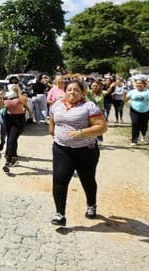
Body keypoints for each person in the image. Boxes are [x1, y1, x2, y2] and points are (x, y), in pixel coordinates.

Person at [48, 79, 107, 226]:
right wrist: (55, 134)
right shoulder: (57, 105)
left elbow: (102, 127)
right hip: (62, 149)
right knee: (59, 180)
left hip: (86, 151)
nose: (72, 92)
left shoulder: (89, 107)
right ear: (65, 91)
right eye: (69, 89)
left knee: (87, 180)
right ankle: (60, 215)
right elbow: (52, 122)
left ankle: (91, 205)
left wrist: (82, 132)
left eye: (76, 90)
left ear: (82, 93)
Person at [0, 83, 32, 173]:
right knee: (11, 139)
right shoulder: (6, 97)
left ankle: (8, 162)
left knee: (12, 139)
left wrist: (18, 92)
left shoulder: (21, 95)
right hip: (8, 119)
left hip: (19, 120)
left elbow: (24, 102)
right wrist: (1, 98)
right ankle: (14, 157)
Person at [124, 79, 149, 146]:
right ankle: (134, 140)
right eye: (137, 83)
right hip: (134, 110)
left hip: (146, 111)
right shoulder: (132, 92)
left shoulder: (148, 92)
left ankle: (143, 136)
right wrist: (124, 95)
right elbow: (125, 100)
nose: (138, 85)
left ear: (144, 84)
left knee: (144, 125)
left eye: (140, 83)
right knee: (135, 124)